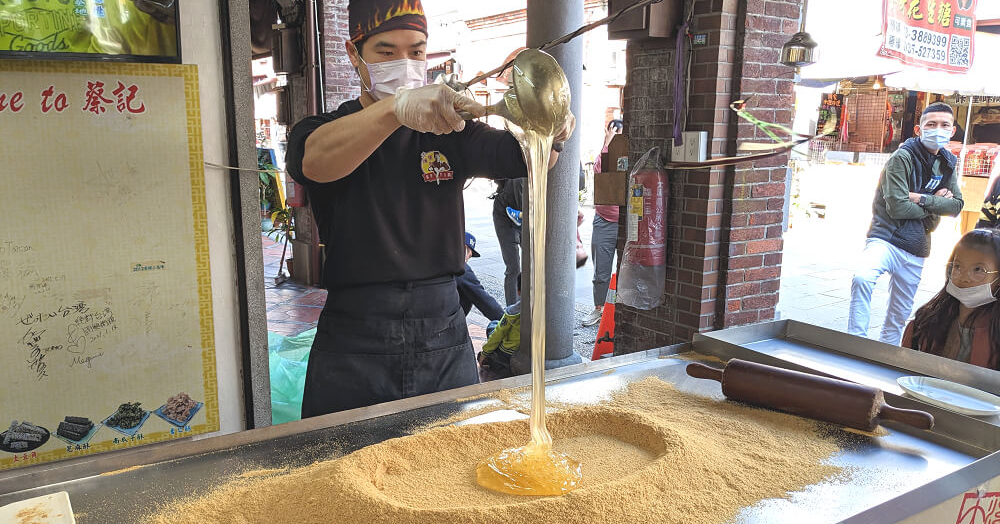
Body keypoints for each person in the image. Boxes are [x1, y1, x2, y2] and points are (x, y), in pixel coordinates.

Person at [284, 0, 574, 417]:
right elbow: (314, 162)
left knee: (449, 465)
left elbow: (528, 158)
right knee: (342, 468)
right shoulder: (323, 130)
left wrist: (552, 128)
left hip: (442, 326)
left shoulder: (450, 131)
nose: (404, 63)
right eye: (386, 52)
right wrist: (395, 110)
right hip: (355, 333)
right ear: (354, 53)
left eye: (416, 51)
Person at [848, 102, 964, 345]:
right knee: (862, 277)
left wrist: (919, 198)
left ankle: (887, 353)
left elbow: (956, 207)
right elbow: (897, 207)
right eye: (931, 124)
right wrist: (934, 205)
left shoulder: (948, 163)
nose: (937, 129)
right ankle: (856, 341)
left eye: (944, 125)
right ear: (918, 129)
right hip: (886, 237)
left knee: (899, 315)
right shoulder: (903, 157)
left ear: (952, 130)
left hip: (917, 245)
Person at [902, 229, 1000, 370]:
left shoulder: (995, 331)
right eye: (958, 266)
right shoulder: (926, 321)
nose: (964, 277)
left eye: (978, 270)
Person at [583, 119, 623, 327]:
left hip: (626, 220)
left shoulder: (628, 154)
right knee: (601, 271)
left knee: (626, 271)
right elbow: (600, 172)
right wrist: (606, 146)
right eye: (610, 134)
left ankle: (620, 312)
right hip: (604, 220)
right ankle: (599, 309)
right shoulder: (604, 155)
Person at [478, 275, 522, 378]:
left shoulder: (512, 312)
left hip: (507, 353)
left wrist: (485, 352)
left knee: (493, 325)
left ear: (518, 291)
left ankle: (490, 358)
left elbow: (498, 334)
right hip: (527, 350)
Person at [491, 178, 524, 306]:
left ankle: (527, 307)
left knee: (533, 265)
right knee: (513, 267)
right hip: (505, 213)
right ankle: (512, 312)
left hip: (527, 213)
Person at [457, 232, 504, 321]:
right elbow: (483, 300)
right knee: (469, 292)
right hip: (443, 324)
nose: (467, 260)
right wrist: (505, 322)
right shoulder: (461, 269)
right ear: (463, 249)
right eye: (468, 255)